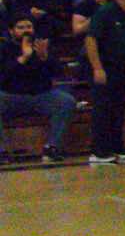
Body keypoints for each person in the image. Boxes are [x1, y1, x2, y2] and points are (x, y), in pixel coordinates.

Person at [0, 13, 74, 160]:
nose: (26, 30)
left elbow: (58, 73)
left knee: (66, 101)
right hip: (11, 96)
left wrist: (44, 57)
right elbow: (3, 77)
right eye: (21, 27)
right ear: (11, 31)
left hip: (41, 95)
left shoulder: (41, 46)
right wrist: (23, 58)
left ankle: (52, 147)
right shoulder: (4, 49)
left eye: (29, 26)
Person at [85, 0, 125, 165]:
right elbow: (91, 39)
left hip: (120, 68)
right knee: (103, 109)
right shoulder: (105, 12)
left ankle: (117, 146)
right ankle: (99, 151)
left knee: (118, 109)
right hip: (104, 67)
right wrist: (97, 68)